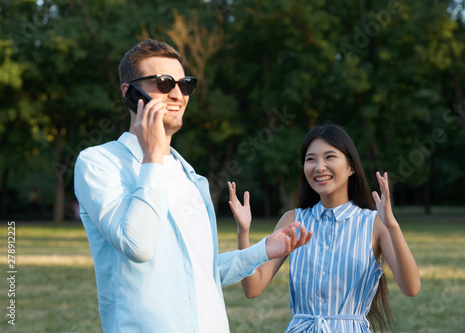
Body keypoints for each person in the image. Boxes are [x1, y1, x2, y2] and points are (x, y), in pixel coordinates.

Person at [74, 38, 311, 333]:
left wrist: (263, 249)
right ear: (129, 92)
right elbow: (138, 245)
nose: (177, 94)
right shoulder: (98, 163)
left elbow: (202, 271)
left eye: (184, 84)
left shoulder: (192, 178)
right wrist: (152, 157)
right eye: (163, 83)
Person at [228, 123, 420, 332]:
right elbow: (253, 288)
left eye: (329, 157)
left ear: (351, 166)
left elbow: (411, 288)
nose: (319, 167)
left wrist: (392, 226)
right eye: (311, 159)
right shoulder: (292, 221)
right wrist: (243, 232)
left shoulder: (374, 223)